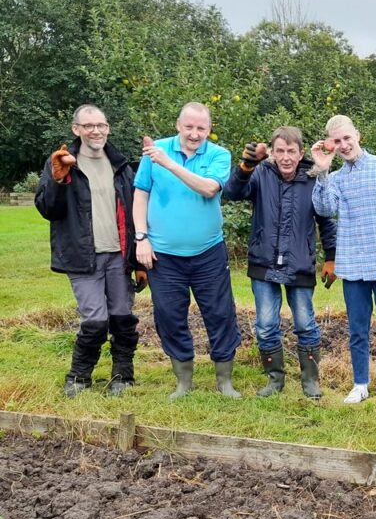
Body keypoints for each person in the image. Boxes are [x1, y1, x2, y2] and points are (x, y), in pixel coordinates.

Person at [133, 102, 242, 400]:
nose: (195, 134)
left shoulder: (219, 154)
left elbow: (209, 189)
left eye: (201, 128)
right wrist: (141, 238)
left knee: (220, 314)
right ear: (179, 124)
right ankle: (183, 382)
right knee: (169, 316)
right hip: (164, 256)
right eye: (189, 127)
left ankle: (224, 381)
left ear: (209, 129)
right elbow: (141, 194)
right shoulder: (155, 149)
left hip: (208, 252)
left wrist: (168, 163)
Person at [35, 104, 144, 397]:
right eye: (88, 126)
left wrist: (138, 259)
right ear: (76, 130)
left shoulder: (121, 166)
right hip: (82, 256)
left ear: (107, 128)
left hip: (119, 255)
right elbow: (48, 209)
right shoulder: (63, 163)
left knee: (122, 317)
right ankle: (79, 376)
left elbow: (135, 212)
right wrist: (58, 180)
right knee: (95, 320)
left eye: (101, 125)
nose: (96, 131)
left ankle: (123, 375)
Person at [222, 126, 337, 400]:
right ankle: (275, 379)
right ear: (272, 153)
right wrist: (247, 165)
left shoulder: (313, 178)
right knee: (265, 324)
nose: (286, 157)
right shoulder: (261, 173)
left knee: (305, 323)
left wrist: (331, 257)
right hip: (263, 262)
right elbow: (232, 192)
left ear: (300, 153)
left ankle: (310, 380)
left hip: (300, 265)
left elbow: (326, 219)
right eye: (280, 151)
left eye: (291, 151)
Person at [310, 115, 376, 409]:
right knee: (357, 330)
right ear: (331, 144)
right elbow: (325, 209)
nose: (344, 145)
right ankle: (360, 384)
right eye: (337, 141)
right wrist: (322, 170)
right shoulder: (336, 178)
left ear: (358, 135)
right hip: (353, 265)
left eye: (347, 138)